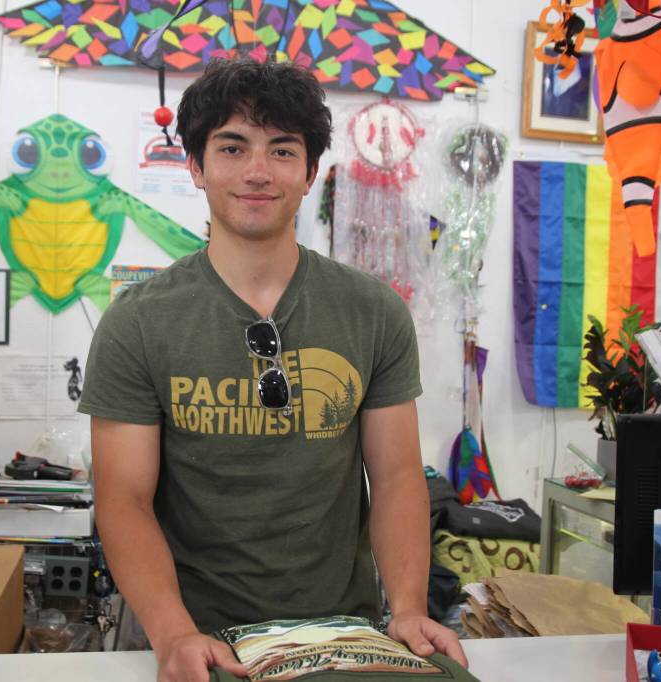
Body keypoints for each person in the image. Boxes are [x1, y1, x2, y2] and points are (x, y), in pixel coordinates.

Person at [79, 58, 464, 682]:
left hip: (341, 637)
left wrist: (410, 609)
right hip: (193, 642)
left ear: (310, 173)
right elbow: (123, 498)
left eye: (282, 151)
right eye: (232, 148)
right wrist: (174, 631)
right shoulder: (139, 322)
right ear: (197, 166)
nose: (257, 172)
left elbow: (394, 478)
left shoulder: (373, 313)